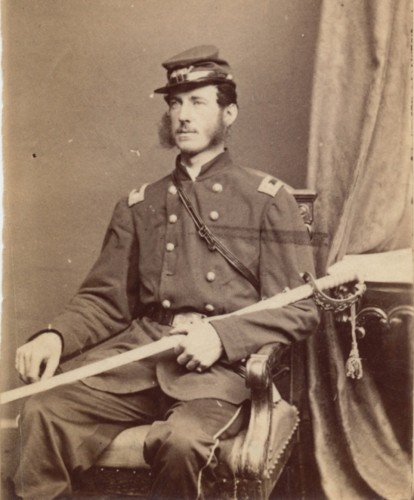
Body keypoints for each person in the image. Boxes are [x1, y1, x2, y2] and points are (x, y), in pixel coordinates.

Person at [12, 45, 319, 499]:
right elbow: (104, 299)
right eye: (175, 103)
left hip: (220, 370)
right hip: (143, 359)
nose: (183, 115)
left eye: (198, 101)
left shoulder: (268, 199)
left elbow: (301, 308)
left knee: (182, 443)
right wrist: (54, 336)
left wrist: (223, 337)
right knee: (44, 411)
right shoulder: (140, 204)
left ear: (229, 112)